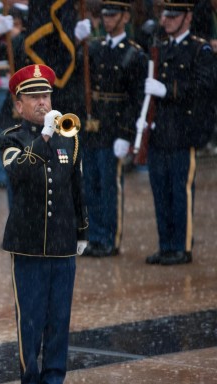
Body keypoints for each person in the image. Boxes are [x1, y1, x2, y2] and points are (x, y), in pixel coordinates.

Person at [0, 64, 88, 384]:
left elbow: (77, 188)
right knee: (31, 319)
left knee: (59, 318)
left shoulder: (71, 136)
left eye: (46, 95)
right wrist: (44, 137)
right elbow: (18, 174)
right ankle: (29, 383)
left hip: (63, 241)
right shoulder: (11, 138)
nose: (42, 102)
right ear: (18, 104)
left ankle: (54, 382)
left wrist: (82, 230)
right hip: (28, 242)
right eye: (34, 96)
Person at [142, 0, 216, 265]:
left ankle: (181, 247)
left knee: (180, 192)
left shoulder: (200, 50)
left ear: (188, 17)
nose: (167, 20)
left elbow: (204, 88)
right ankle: (165, 245)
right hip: (160, 132)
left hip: (183, 132)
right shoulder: (160, 49)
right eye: (166, 15)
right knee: (160, 192)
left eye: (174, 16)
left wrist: (169, 89)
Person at [78, 0, 147, 257]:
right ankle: (94, 235)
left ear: (125, 17)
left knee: (109, 186)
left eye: (113, 15)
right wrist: (77, 42)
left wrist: (127, 134)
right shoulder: (93, 49)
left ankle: (109, 238)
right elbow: (76, 73)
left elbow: (135, 99)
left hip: (114, 126)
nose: (107, 20)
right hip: (93, 125)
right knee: (90, 184)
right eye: (105, 16)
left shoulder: (134, 54)